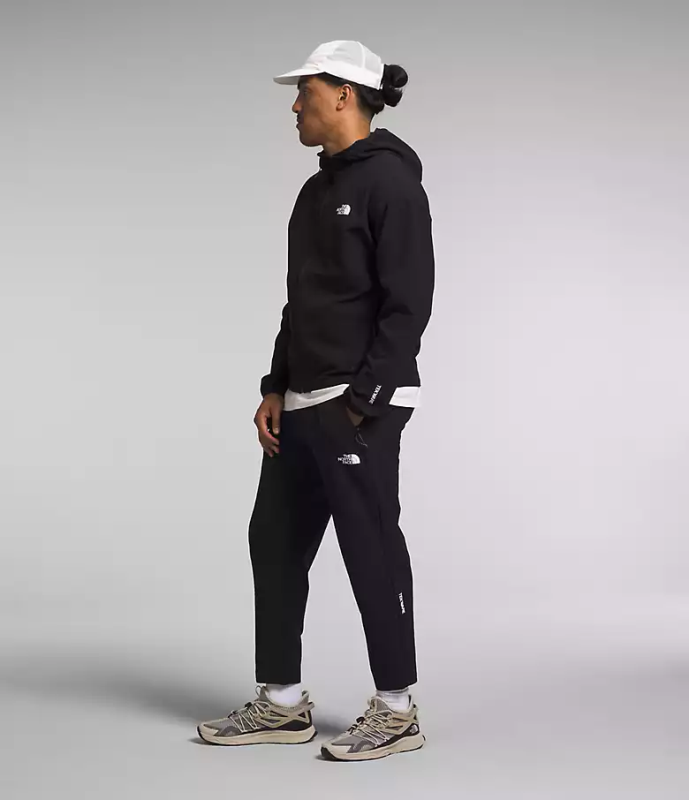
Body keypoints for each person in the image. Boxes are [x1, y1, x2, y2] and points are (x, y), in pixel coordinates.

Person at [198, 40, 435, 762]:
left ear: (343, 94)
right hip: (302, 401)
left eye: (304, 92)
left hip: (355, 404)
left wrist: (364, 400)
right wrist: (274, 386)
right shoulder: (313, 192)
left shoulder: (391, 182)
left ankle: (396, 710)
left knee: (370, 550)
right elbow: (300, 303)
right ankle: (281, 702)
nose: (295, 106)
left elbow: (409, 301)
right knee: (272, 542)